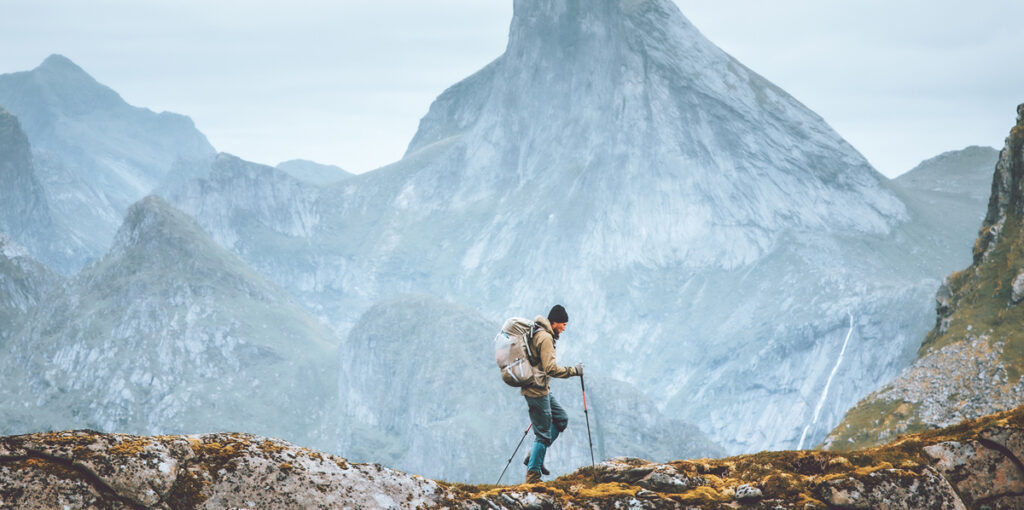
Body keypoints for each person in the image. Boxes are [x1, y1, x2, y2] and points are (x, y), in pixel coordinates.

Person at [522, 304, 583, 483]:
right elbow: (550, 368)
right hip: (536, 391)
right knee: (543, 434)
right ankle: (533, 474)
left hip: (541, 389)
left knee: (561, 419)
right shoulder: (545, 337)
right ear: (555, 322)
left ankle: (534, 455)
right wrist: (574, 371)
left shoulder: (540, 332)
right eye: (563, 324)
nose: (564, 328)